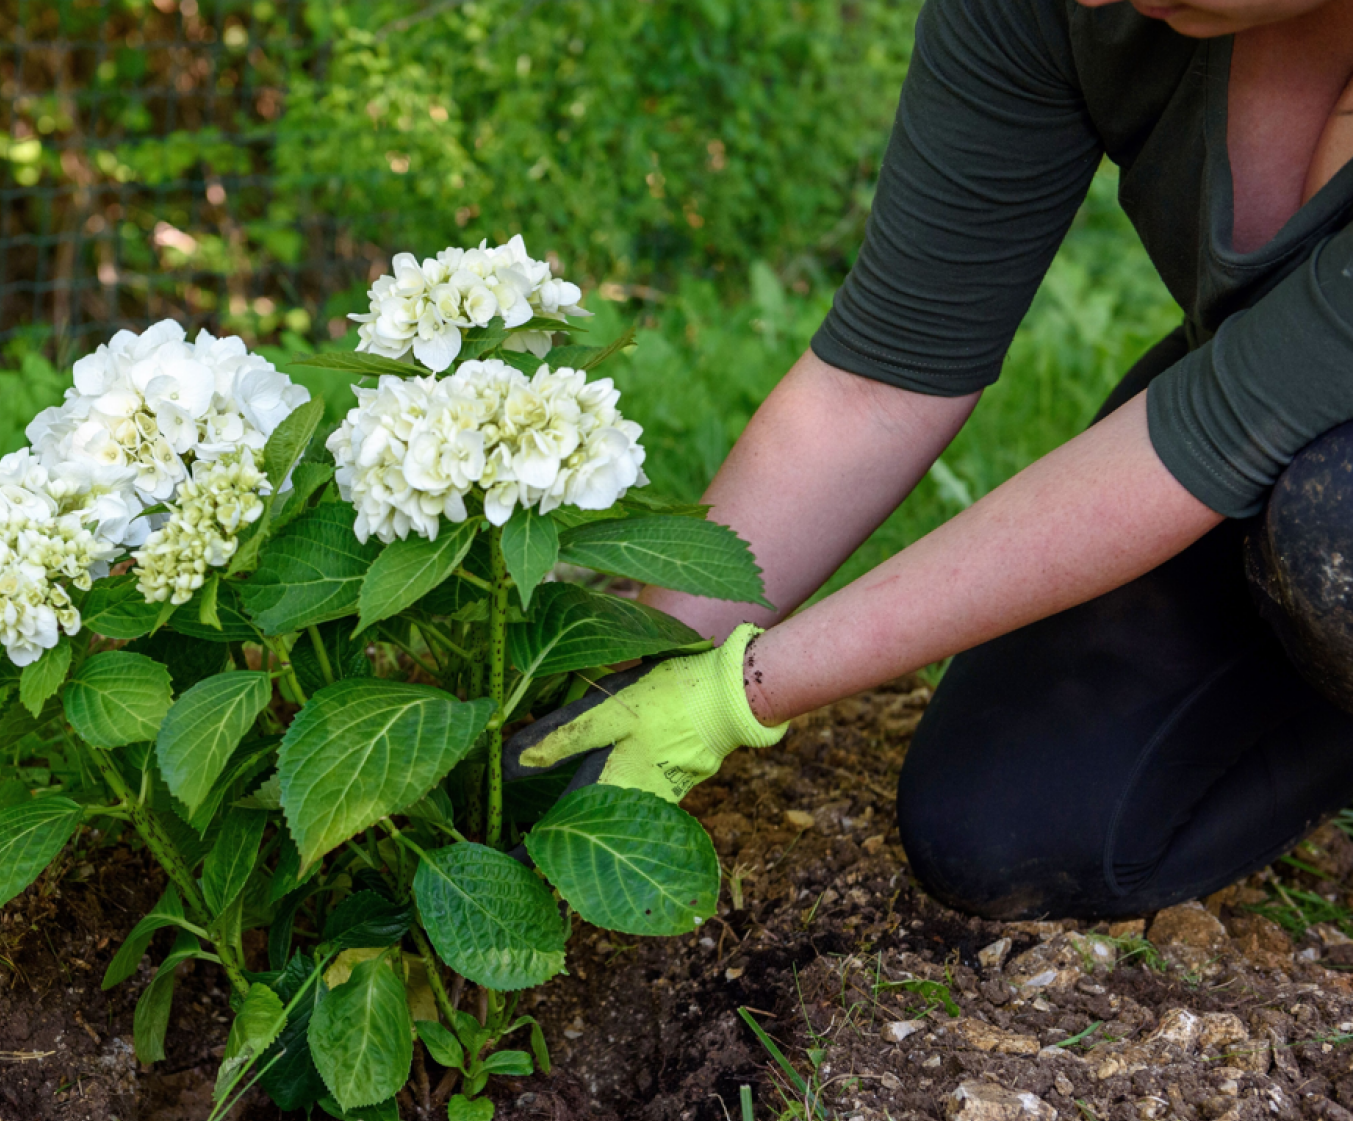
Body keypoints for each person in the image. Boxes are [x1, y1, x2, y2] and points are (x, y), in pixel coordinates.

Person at [505, 0, 1353, 921]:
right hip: (1274, 427)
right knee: (1004, 819)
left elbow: (1202, 439)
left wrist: (734, 694)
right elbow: (879, 381)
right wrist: (635, 656)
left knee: (1332, 527)